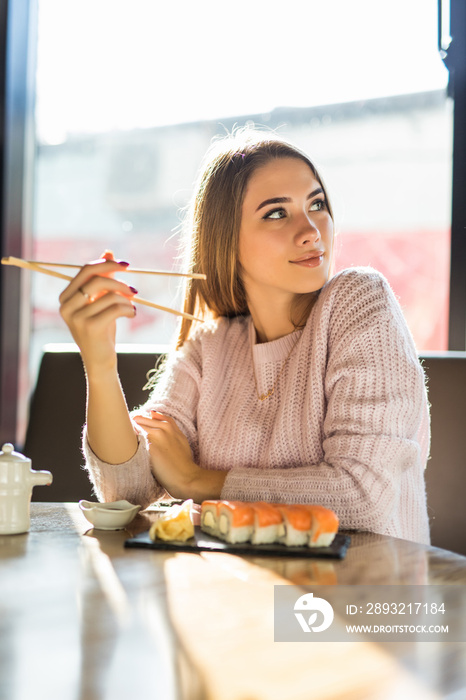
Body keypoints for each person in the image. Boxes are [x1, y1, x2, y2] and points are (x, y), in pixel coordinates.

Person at [59, 128, 430, 544]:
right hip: (241, 590)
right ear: (226, 240)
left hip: (363, 595)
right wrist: (99, 363)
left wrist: (196, 481)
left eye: (317, 204)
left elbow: (362, 496)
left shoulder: (359, 300)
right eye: (276, 213)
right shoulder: (210, 344)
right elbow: (126, 490)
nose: (311, 230)